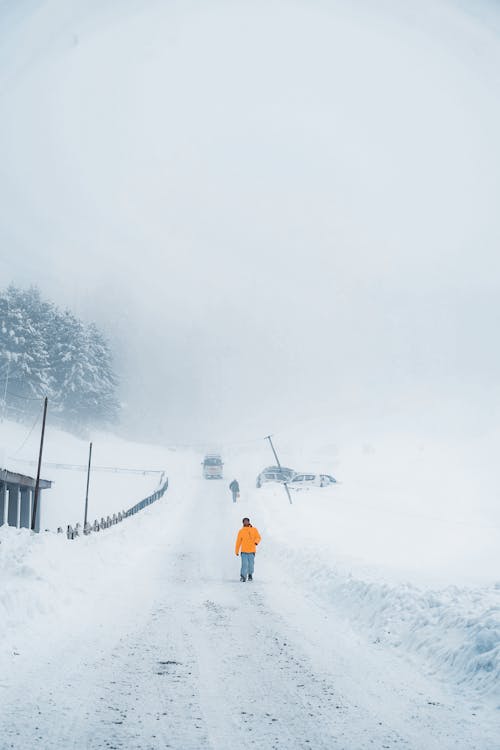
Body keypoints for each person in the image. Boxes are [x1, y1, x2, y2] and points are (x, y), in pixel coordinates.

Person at [235, 517, 261, 582]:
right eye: (244, 521)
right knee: (244, 564)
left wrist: (256, 542)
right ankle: (243, 576)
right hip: (244, 551)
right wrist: (236, 551)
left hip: (252, 551)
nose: (246, 522)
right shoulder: (241, 531)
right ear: (243, 523)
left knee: (251, 565)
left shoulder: (254, 529)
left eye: (247, 521)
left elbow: (258, 537)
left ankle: (250, 574)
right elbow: (238, 542)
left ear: (249, 522)